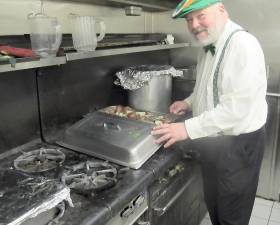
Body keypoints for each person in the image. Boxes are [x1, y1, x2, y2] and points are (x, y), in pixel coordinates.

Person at [151, 0, 267, 225]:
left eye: (200, 16)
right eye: (188, 19)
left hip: (238, 147)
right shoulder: (209, 45)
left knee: (232, 216)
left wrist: (186, 128)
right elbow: (206, 87)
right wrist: (188, 102)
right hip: (213, 142)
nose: (194, 24)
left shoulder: (243, 45)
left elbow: (236, 111)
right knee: (214, 205)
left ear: (221, 10)